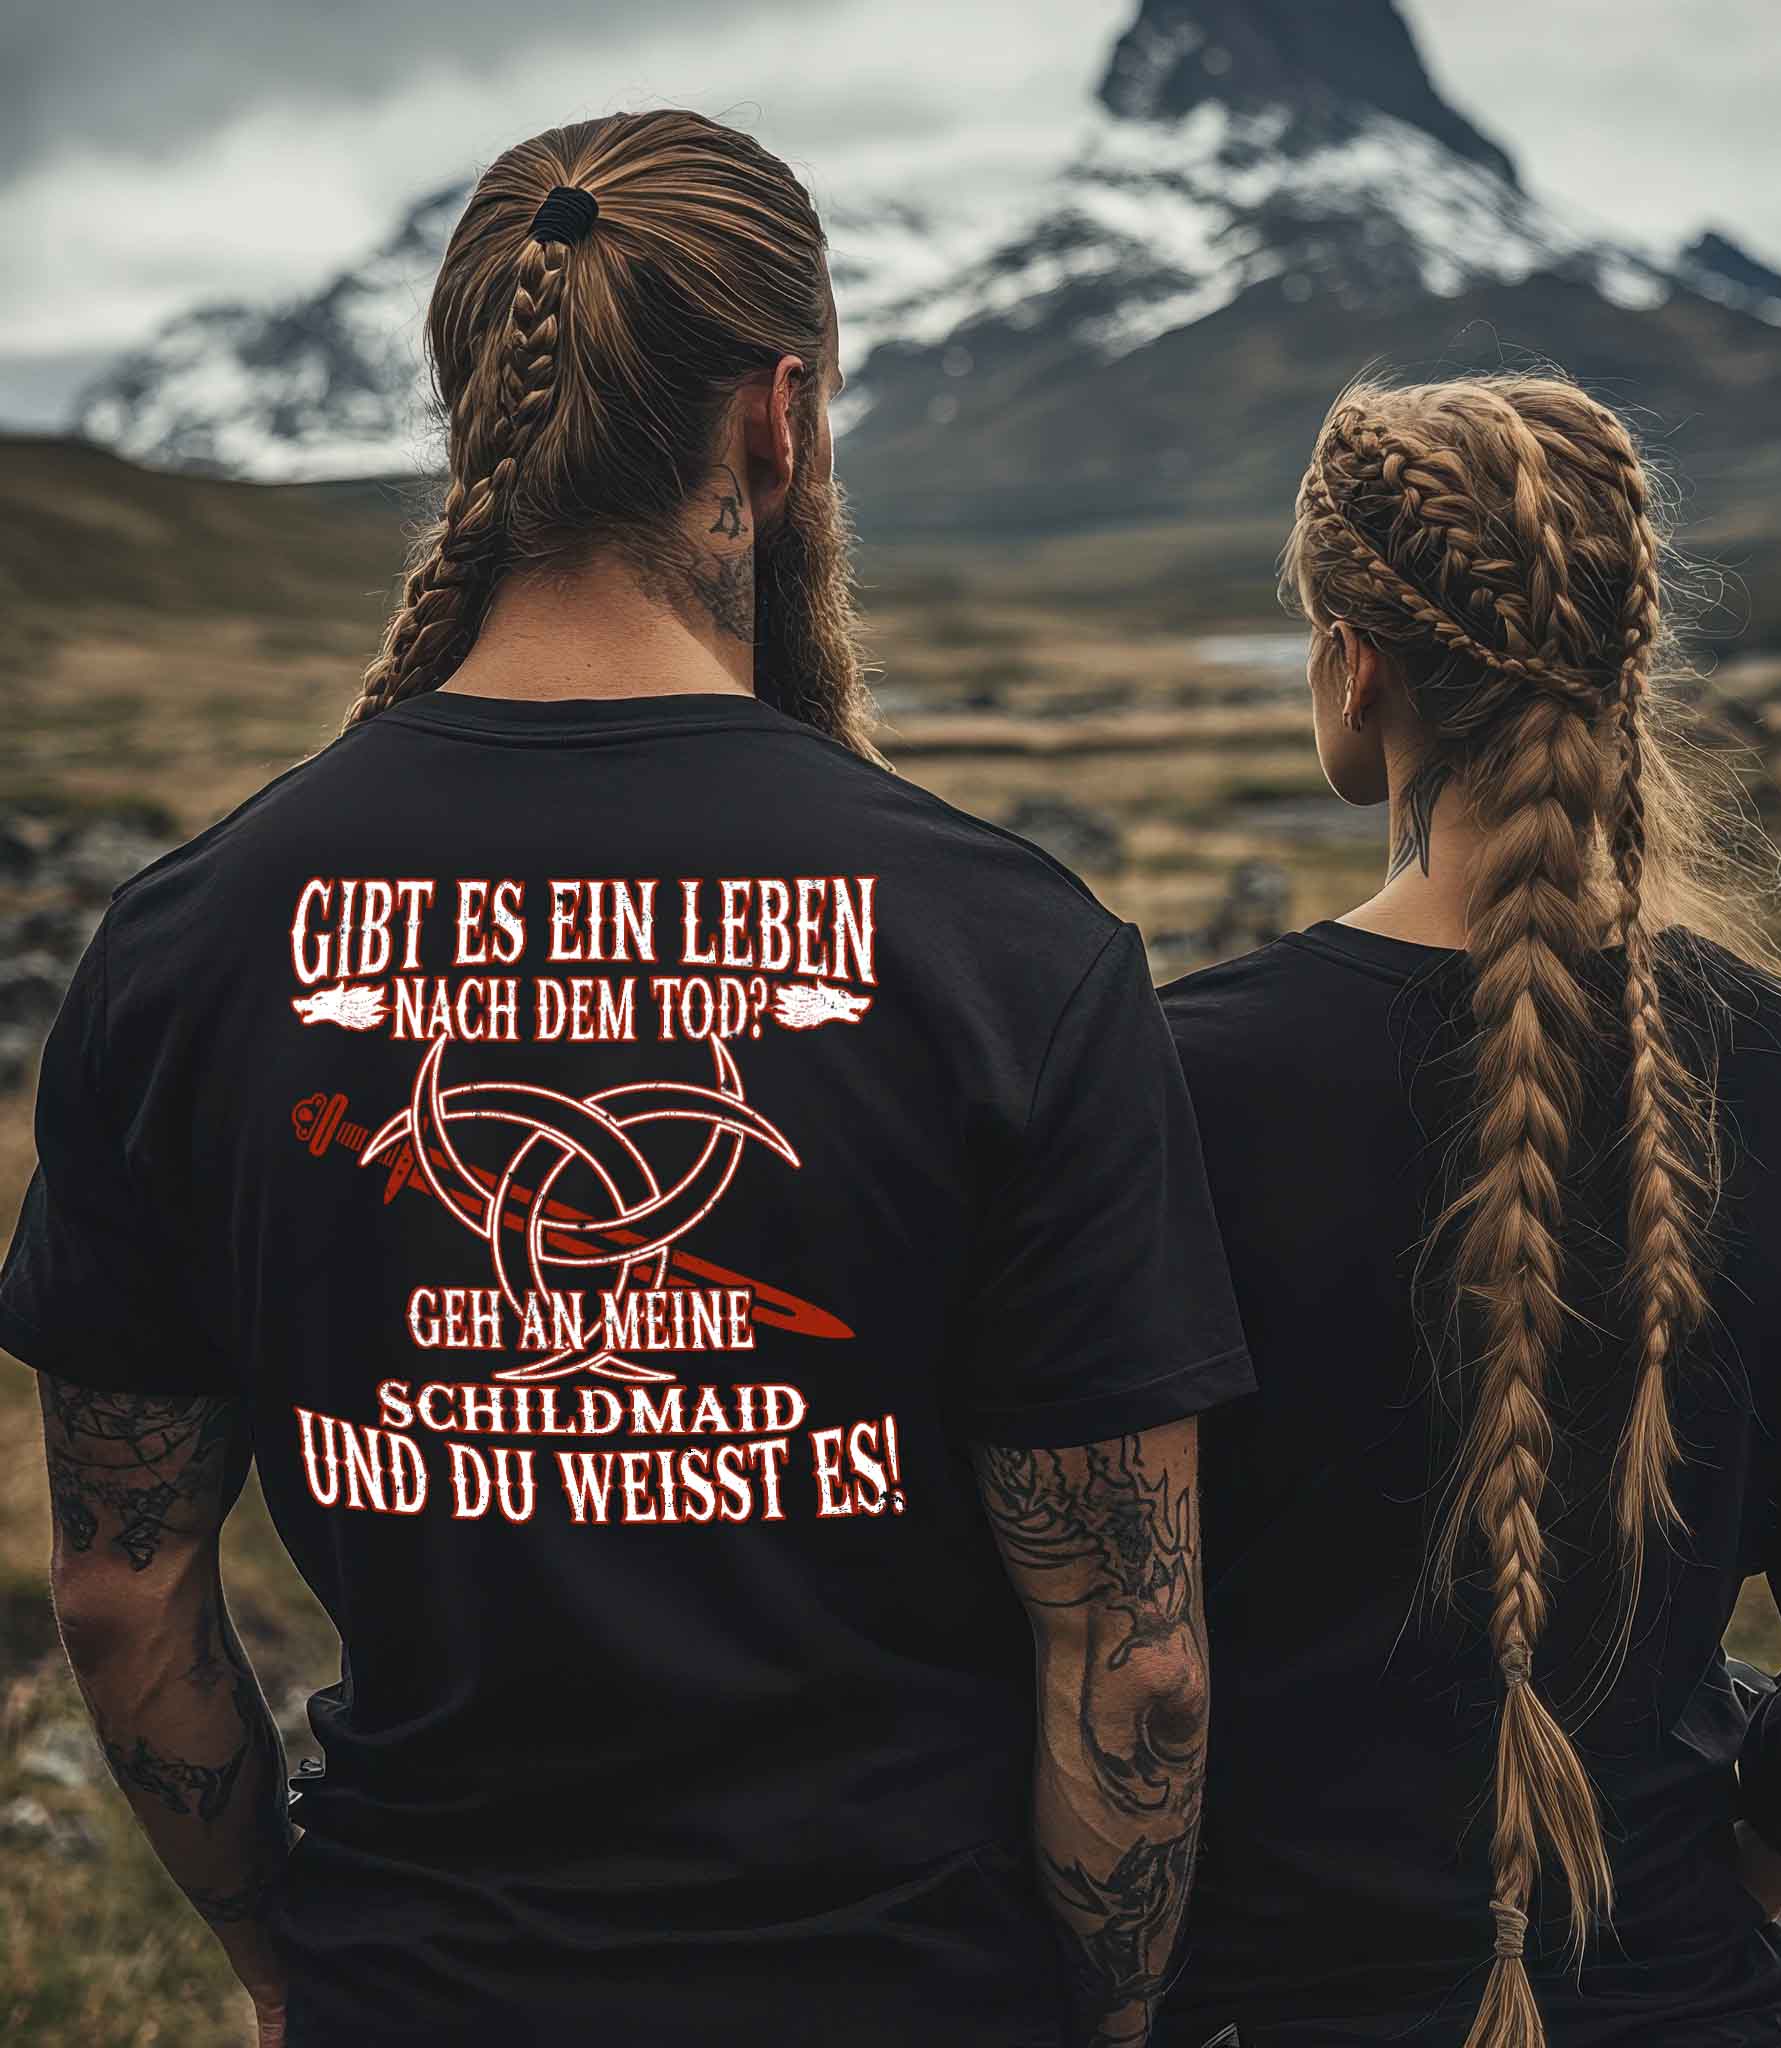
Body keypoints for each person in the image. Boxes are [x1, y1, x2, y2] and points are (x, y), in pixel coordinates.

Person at [1, 110, 1252, 2048]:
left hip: (418, 1985)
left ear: (468, 418)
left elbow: (121, 1587)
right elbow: (1134, 1654)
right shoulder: (1008, 946)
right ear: (783, 415)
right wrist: (1094, 2010)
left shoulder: (188, 939)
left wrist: (281, 1954)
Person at [1153, 372, 1781, 2048]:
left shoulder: (1179, 1088)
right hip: (1686, 2002)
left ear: (1355, 663)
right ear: (1625, 657)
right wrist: (1728, 1873)